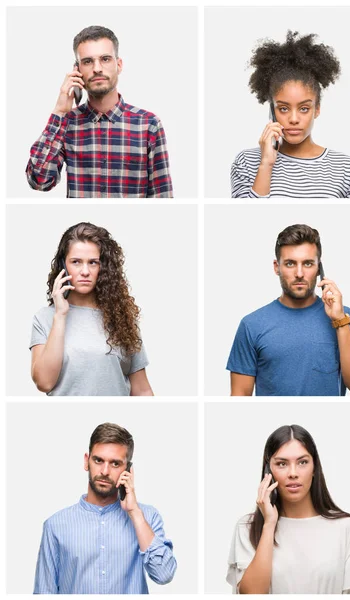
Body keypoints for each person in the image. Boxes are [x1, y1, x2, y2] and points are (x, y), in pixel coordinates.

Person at [26, 25, 173, 198]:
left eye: (105, 59)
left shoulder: (148, 124)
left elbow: (162, 197)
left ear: (118, 65)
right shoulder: (67, 123)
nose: (97, 68)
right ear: (77, 70)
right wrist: (59, 112)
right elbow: (39, 181)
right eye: (87, 61)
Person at [227, 224, 350, 396]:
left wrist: (340, 321)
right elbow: (239, 398)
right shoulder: (252, 325)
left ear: (319, 268)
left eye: (308, 264)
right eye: (290, 263)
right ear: (276, 267)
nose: (299, 273)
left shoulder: (344, 318)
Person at [227, 424, 350, 593]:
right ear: (269, 471)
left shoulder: (346, 527)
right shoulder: (248, 527)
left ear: (314, 468)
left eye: (302, 462)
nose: (293, 473)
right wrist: (269, 524)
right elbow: (251, 595)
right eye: (282, 464)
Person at [34, 423, 176, 593]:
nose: (105, 471)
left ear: (128, 470)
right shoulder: (55, 525)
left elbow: (164, 574)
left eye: (115, 463)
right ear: (87, 461)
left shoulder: (147, 517)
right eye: (98, 460)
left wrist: (134, 513)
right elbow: (44, 592)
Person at [231, 31, 350, 198]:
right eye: (283, 108)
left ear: (317, 109)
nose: (293, 119)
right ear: (272, 111)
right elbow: (248, 216)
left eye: (303, 108)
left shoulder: (346, 168)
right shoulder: (246, 162)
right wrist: (266, 164)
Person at [30, 222, 153, 396]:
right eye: (76, 262)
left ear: (104, 268)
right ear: (63, 266)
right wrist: (60, 315)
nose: (85, 271)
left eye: (93, 262)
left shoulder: (122, 317)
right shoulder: (44, 318)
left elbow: (142, 390)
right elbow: (44, 382)